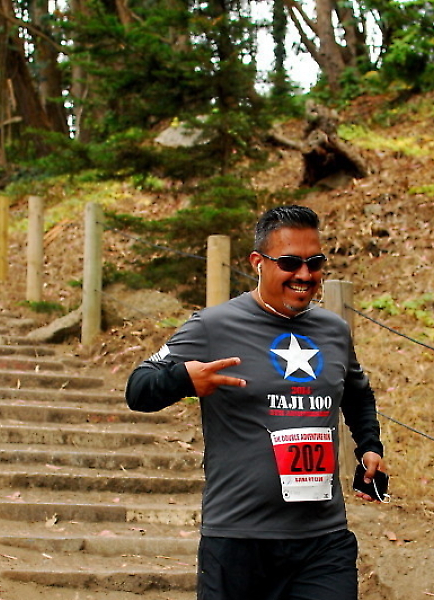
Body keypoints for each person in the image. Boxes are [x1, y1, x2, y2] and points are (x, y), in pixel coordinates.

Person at [126, 204, 386, 600]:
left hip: (322, 540)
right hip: (238, 539)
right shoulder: (212, 326)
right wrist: (182, 379)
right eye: (290, 262)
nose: (304, 275)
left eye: (315, 263)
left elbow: (356, 390)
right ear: (257, 263)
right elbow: (138, 388)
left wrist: (369, 445)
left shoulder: (333, 330)